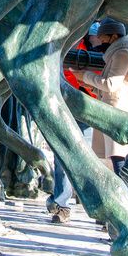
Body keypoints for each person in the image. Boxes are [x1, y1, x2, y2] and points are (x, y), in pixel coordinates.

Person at [47, 22, 101, 224]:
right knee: (62, 156)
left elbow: (117, 47)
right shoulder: (68, 37)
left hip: (86, 105)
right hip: (64, 104)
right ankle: (61, 203)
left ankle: (84, 203)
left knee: (82, 155)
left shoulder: (95, 40)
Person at [71, 18, 128, 160]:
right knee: (118, 159)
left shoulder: (122, 54)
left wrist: (85, 76)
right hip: (116, 112)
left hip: (118, 115)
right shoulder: (119, 53)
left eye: (103, 39)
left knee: (119, 160)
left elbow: (110, 85)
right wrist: (89, 85)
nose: (101, 42)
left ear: (114, 37)